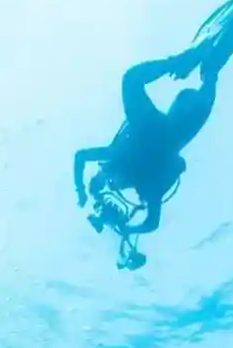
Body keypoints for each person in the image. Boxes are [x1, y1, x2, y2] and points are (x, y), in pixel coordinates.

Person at [72, 44, 224, 269]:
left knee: (131, 81)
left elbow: (81, 157)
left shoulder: (125, 166)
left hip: (155, 128)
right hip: (165, 131)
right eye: (112, 182)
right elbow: (152, 222)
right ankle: (204, 69)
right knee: (134, 81)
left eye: (108, 178)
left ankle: (186, 64)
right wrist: (128, 228)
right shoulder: (144, 183)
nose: (111, 179)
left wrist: (82, 191)